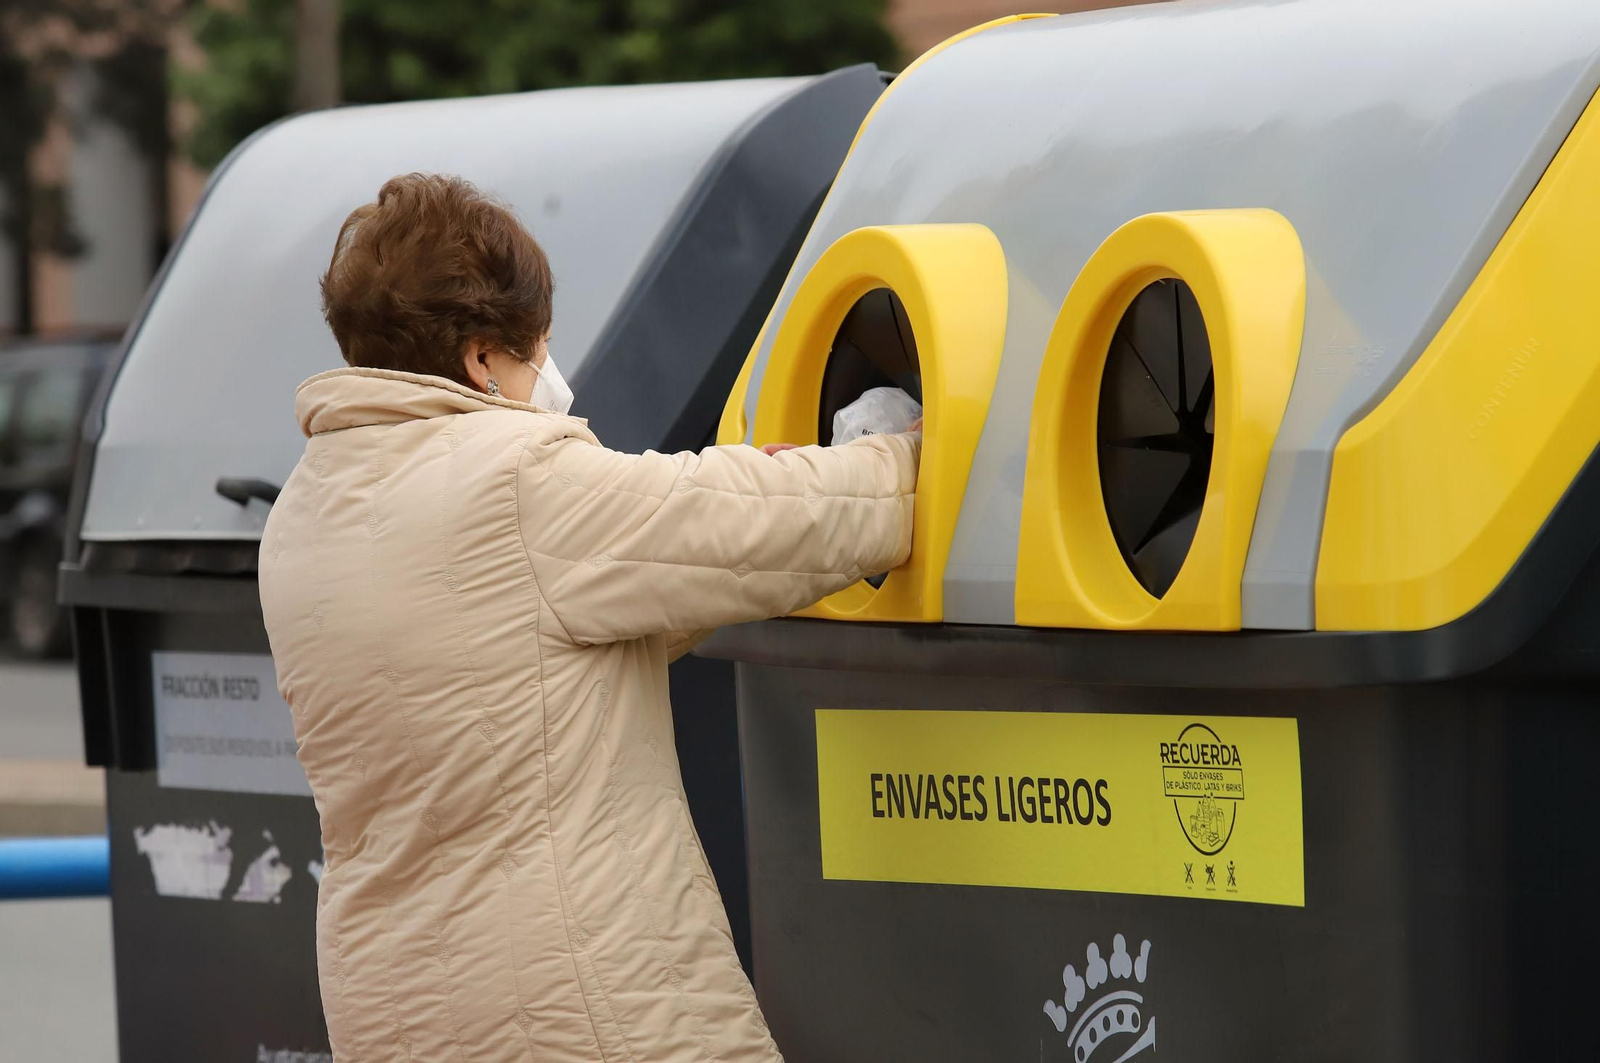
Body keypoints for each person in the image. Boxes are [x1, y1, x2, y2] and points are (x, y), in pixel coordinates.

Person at [257, 172, 920, 1063]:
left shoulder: (304, 512)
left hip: (394, 1006)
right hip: (583, 1005)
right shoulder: (516, 479)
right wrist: (904, 449)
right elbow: (755, 525)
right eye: (539, 350)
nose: (551, 377)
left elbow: (531, 651)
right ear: (482, 359)